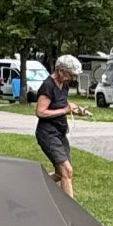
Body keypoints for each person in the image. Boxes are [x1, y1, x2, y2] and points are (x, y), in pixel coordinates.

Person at [34, 54, 87, 197]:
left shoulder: (64, 85)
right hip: (48, 134)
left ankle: (33, 188)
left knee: (60, 173)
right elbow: (40, 112)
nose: (72, 78)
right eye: (70, 74)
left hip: (60, 133)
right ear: (60, 71)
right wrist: (64, 110)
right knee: (66, 171)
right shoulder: (48, 86)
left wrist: (77, 110)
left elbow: (62, 103)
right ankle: (69, 209)